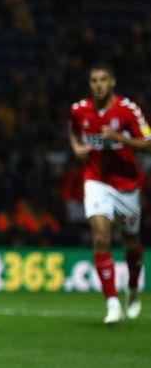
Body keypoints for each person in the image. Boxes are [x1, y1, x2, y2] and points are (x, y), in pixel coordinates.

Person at [69, 64, 151, 325]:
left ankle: (134, 286)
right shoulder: (79, 109)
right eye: (94, 80)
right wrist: (77, 146)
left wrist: (120, 138)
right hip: (96, 181)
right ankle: (112, 303)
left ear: (113, 82)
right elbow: (72, 129)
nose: (98, 85)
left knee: (131, 243)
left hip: (126, 185)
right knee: (101, 238)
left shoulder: (128, 110)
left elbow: (148, 145)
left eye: (103, 79)